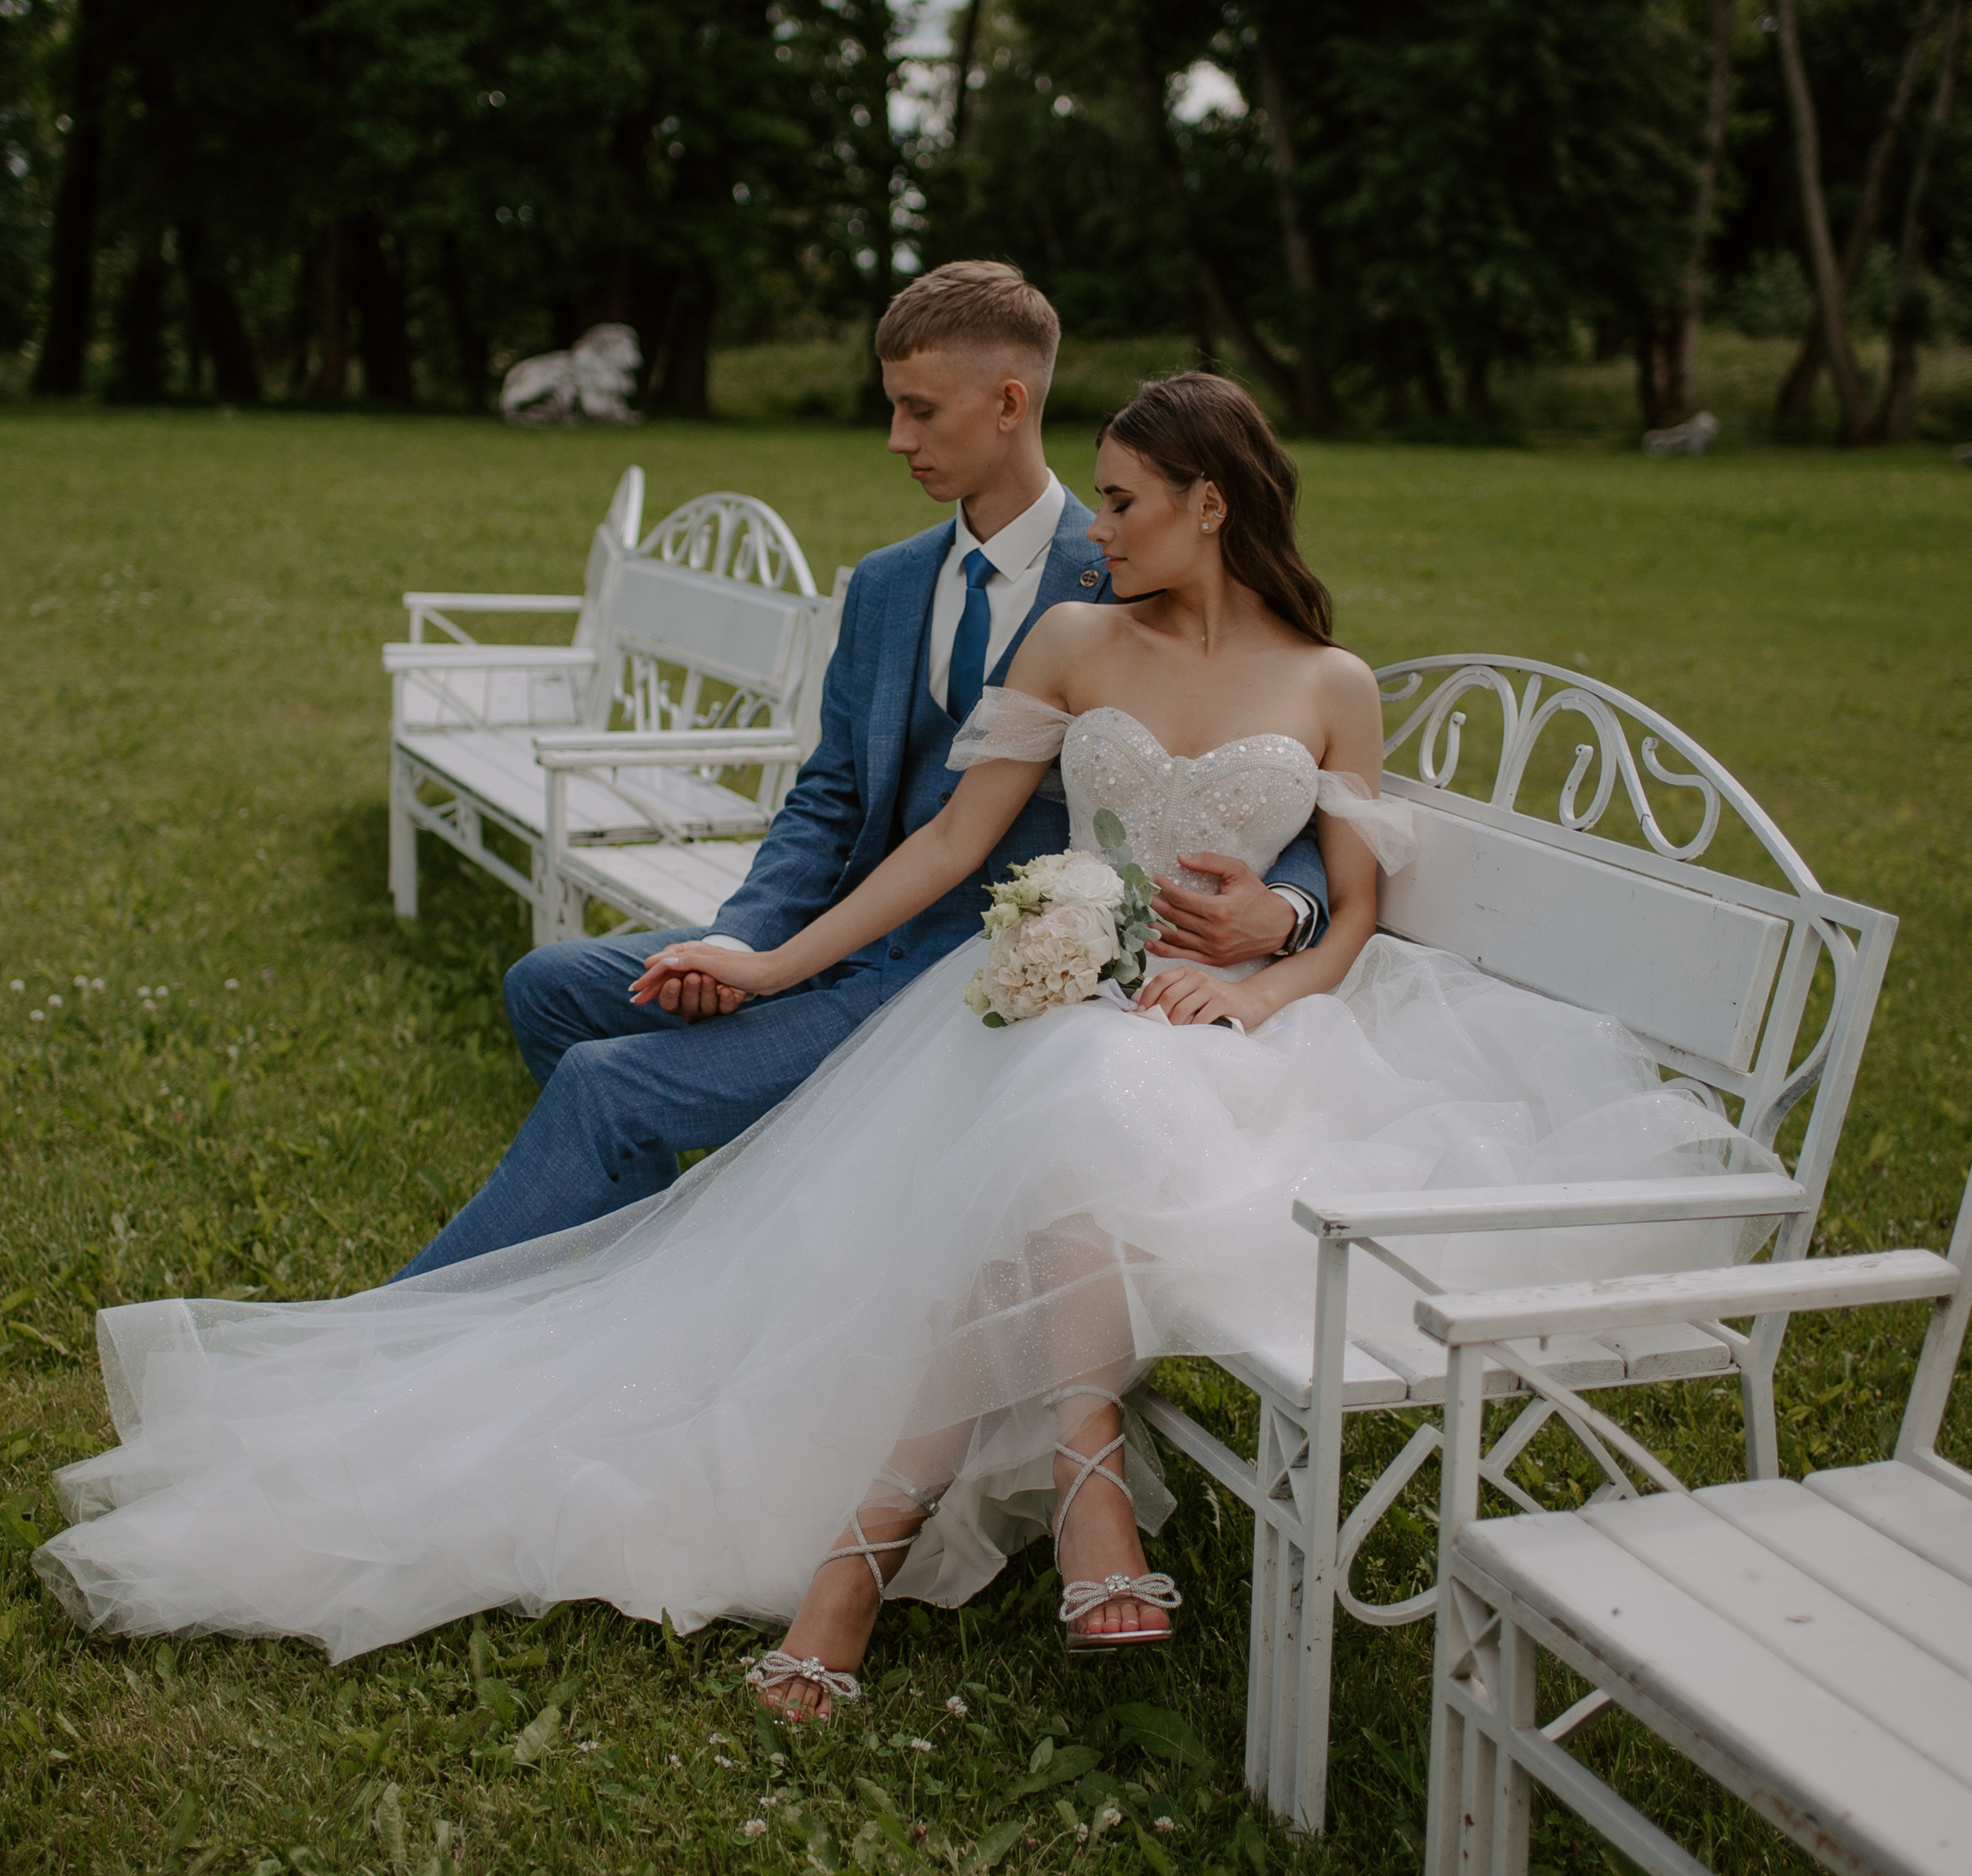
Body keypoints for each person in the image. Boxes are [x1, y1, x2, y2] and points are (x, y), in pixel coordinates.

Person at [38, 372, 1776, 1707]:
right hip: (1065, 1007)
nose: (1095, 530)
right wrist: (775, 954)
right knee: (1069, 1115)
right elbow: (953, 848)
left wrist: (1264, 967)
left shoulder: (1333, 683)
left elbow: (1356, 902)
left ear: (1213, 505)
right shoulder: (1079, 639)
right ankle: (1058, 1502)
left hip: (1241, 1038)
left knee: (1081, 1121)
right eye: (1091, 502)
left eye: (1122, 502)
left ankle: (858, 1577)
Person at [394, 263, 1330, 1278]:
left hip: (970, 975)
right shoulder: (887, 585)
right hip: (836, 926)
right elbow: (832, 791)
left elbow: (1271, 775)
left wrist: (1287, 907)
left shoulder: (1130, 564)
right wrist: (740, 937)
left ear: (1008, 403)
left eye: (918, 411)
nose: (896, 439)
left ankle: (409, 1322)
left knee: (605, 1082)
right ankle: (665, 1254)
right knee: (550, 988)